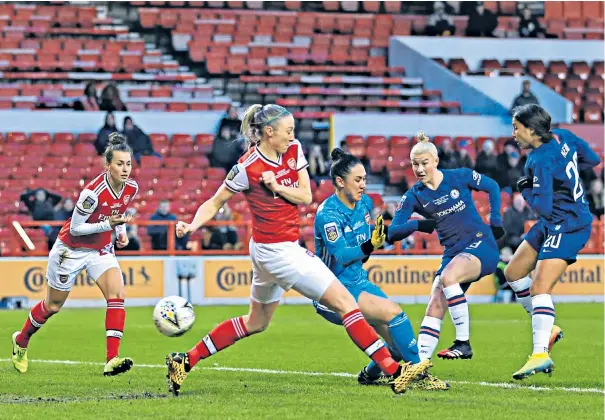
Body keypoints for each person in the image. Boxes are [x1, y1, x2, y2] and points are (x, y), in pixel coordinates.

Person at [165, 104, 429, 396]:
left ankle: (185, 361)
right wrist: (191, 225)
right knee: (345, 303)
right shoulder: (246, 167)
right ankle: (395, 372)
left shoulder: (293, 151)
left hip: (271, 249)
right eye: (287, 130)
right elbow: (215, 202)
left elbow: (305, 195)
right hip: (277, 251)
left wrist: (276, 186)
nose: (292, 135)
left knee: (256, 322)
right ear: (269, 132)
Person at [311, 148, 449, 390]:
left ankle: (370, 374)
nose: (364, 185)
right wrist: (370, 245)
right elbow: (342, 256)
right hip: (332, 290)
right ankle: (419, 376)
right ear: (340, 182)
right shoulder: (328, 214)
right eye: (358, 180)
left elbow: (364, 252)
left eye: (365, 178)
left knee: (396, 346)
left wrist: (407, 228)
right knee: (395, 313)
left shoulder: (364, 203)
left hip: (358, 282)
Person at [11, 133, 138, 376]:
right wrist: (109, 225)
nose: (125, 169)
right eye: (120, 164)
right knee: (53, 305)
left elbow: (117, 211)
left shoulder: (131, 187)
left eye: (129, 164)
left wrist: (121, 232)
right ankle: (21, 341)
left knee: (117, 295)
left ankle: (112, 359)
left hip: (100, 249)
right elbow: (77, 229)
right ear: (108, 165)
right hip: (70, 250)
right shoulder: (91, 194)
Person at [387, 132, 505, 361]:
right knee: (435, 301)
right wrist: (419, 224)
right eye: (415, 165)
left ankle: (463, 343)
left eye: (424, 163)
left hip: (481, 244)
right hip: (453, 253)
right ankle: (418, 365)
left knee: (448, 277)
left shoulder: (459, 176)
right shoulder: (414, 196)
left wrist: (496, 219)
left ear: (435, 161)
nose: (419, 169)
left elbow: (492, 186)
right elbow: (393, 232)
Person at [504, 104, 600, 380]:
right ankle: (550, 330)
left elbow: (542, 207)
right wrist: (566, 177)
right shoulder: (564, 136)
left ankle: (539, 353)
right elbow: (592, 159)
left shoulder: (538, 160)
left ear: (531, 131)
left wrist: (525, 189)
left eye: (516, 128)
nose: (514, 134)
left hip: (567, 223)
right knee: (512, 273)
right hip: (553, 221)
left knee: (539, 287)